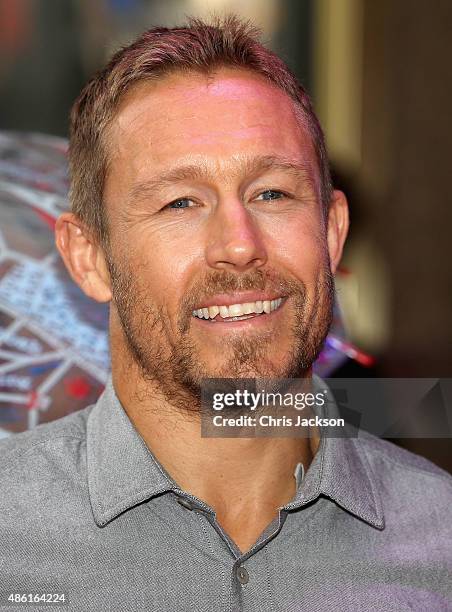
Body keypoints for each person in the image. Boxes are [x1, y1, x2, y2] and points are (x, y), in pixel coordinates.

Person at [0, 16, 451, 612]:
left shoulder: (439, 539)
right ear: (90, 259)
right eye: (179, 201)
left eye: (272, 194)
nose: (239, 245)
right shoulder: (13, 534)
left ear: (332, 232)